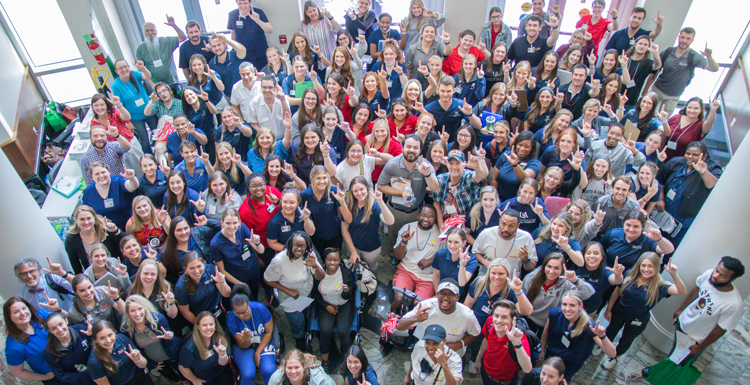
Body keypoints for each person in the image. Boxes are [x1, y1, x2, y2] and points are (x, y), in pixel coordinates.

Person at [642, 256, 745, 379]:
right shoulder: (709, 275)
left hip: (696, 338)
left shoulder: (734, 304)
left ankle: (662, 377)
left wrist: (700, 347)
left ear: (732, 279)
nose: (716, 275)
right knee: (675, 351)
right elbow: (697, 288)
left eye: (723, 276)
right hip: (683, 324)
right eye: (717, 270)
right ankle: (662, 373)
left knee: (680, 362)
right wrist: (681, 308)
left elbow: (720, 330)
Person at [600, 252, 686, 369]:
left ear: (656, 267)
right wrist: (609, 309)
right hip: (619, 311)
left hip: (638, 319)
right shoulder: (629, 275)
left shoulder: (660, 286)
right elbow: (617, 291)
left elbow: (681, 291)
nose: (646, 269)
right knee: (610, 330)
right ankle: (603, 346)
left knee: (626, 339)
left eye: (650, 266)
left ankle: (615, 356)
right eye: (643, 265)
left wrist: (674, 274)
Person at [376, 135, 439, 255]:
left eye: (416, 147)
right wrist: (401, 193)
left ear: (420, 150)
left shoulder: (426, 166)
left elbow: (435, 189)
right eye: (408, 146)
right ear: (402, 147)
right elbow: (380, 186)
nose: (411, 150)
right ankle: (394, 256)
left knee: (413, 239)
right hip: (395, 211)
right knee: (393, 239)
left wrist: (427, 174)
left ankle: (409, 259)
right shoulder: (392, 164)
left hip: (416, 212)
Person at [264, 232, 325, 350]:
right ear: (290, 244)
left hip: (306, 293)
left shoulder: (309, 255)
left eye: (303, 245)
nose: (299, 248)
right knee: (297, 322)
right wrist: (288, 291)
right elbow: (267, 279)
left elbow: (320, 276)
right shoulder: (279, 261)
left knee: (305, 315)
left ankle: (306, 330)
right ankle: (299, 338)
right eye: (296, 245)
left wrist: (315, 265)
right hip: (289, 299)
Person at [657, 141, 722, 249]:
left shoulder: (712, 168)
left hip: (684, 218)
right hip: (663, 213)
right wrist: (660, 199)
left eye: (695, 155)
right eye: (688, 153)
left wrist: (703, 171)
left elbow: (714, 186)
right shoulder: (676, 162)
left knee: (671, 247)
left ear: (704, 155)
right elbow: (661, 179)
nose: (690, 157)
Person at [539, 291, 616, 381]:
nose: (567, 309)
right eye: (564, 304)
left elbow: (612, 353)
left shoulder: (588, 326)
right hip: (552, 356)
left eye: (572, 305)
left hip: (570, 363)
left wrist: (603, 336)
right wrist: (542, 349)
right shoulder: (555, 313)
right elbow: (545, 332)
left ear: (580, 306)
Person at [398, 279, 481, 357]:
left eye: (450, 294)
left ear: (457, 297)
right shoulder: (425, 306)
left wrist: (459, 344)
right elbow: (400, 326)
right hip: (426, 352)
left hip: (451, 355)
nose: (445, 298)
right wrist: (415, 318)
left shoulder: (467, 315)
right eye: (442, 293)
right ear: (437, 295)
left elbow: (475, 333)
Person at [651, 27, 719, 114]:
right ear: (679, 37)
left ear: (692, 40)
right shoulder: (668, 51)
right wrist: (655, 54)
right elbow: (656, 67)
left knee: (661, 121)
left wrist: (709, 57)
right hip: (657, 90)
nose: (684, 41)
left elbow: (714, 68)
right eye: (682, 37)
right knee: (648, 114)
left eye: (688, 39)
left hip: (673, 96)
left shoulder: (693, 56)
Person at [522, 253, 595, 335]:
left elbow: (590, 293)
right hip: (529, 319)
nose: (551, 271)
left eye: (556, 268)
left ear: (562, 270)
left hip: (550, 323)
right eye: (549, 266)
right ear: (544, 266)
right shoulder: (531, 278)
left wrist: (576, 281)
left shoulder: (566, 284)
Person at [390, 205, 442, 310]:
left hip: (427, 277)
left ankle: (410, 326)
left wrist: (431, 261)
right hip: (407, 271)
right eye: (423, 215)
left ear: (435, 219)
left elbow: (446, 257)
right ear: (418, 215)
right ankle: (391, 321)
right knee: (399, 300)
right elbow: (398, 256)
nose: (426, 219)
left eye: (431, 217)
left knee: (419, 307)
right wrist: (403, 242)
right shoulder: (407, 228)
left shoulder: (440, 234)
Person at [121, 295, 182, 382]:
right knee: (173, 378)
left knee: (183, 374)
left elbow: (173, 342)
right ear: (128, 313)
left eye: (140, 309)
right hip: (157, 362)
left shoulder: (158, 319)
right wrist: (151, 364)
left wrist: (170, 338)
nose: (137, 314)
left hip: (172, 355)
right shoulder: (127, 330)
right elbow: (137, 350)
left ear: (145, 308)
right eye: (132, 311)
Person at [312, 248, 355, 370]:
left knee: (342, 331)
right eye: (329, 260)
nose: (332, 263)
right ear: (324, 261)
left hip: (344, 304)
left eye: (335, 260)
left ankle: (350, 360)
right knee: (325, 331)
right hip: (326, 304)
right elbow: (315, 293)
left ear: (339, 260)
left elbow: (350, 294)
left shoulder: (345, 273)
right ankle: (325, 361)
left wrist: (346, 291)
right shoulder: (320, 274)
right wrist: (326, 307)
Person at [4, 297, 63, 385]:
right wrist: (45, 377)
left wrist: (57, 310)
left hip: (71, 361)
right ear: (9, 318)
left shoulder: (39, 315)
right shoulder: (14, 347)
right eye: (16, 312)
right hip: (57, 377)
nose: (22, 313)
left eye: (24, 308)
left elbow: (63, 323)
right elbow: (17, 372)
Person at [342, 176, 394, 275]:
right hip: (353, 245)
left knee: (372, 267)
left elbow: (390, 221)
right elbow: (344, 230)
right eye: (355, 191)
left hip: (371, 248)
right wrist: (353, 251)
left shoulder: (374, 204)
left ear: (367, 188)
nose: (359, 193)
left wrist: (380, 201)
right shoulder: (348, 204)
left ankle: (372, 285)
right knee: (356, 268)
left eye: (361, 189)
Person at [226, 284, 276, 385]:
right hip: (245, 346)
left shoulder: (260, 309)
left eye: (244, 312)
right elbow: (241, 344)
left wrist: (258, 353)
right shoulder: (232, 319)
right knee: (247, 374)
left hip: (263, 340)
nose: (241, 316)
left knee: (268, 370)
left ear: (249, 304)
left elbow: (269, 332)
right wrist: (246, 339)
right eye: (237, 313)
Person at [475, 299, 533, 383]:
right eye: (496, 315)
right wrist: (478, 359)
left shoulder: (519, 337)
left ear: (513, 320)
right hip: (486, 373)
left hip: (505, 381)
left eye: (504, 317)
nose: (498, 320)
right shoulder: (490, 322)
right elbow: (486, 340)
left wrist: (517, 344)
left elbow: (527, 369)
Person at [210, 209, 264, 299]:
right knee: (248, 300)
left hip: (253, 271)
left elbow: (261, 251)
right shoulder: (216, 244)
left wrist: (257, 243)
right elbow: (222, 270)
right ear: (222, 223)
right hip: (237, 279)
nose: (232, 227)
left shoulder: (242, 228)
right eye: (228, 223)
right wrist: (240, 283)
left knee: (255, 293)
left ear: (239, 222)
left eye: (235, 223)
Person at [472, 206, 538, 278]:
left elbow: (531, 267)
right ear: (499, 221)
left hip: (510, 280)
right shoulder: (486, 234)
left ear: (518, 226)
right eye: (503, 224)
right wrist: (485, 262)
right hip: (486, 277)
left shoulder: (526, 238)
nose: (506, 229)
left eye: (511, 226)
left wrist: (526, 260)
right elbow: (475, 252)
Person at [599, 210, 674, 271]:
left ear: (642, 227)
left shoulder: (647, 241)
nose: (631, 229)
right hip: (605, 268)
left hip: (627, 275)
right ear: (623, 224)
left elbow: (669, 250)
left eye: (636, 226)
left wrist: (658, 239)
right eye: (628, 225)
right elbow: (599, 248)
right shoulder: (614, 233)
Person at [433, 149, 488, 229]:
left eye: (458, 163)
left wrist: (477, 168)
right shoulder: (441, 179)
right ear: (447, 164)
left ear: (463, 163)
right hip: (446, 222)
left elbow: (479, 176)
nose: (454, 167)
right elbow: (436, 203)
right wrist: (441, 226)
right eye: (451, 163)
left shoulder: (468, 177)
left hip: (466, 224)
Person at [88, 94, 143, 174]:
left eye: (102, 104)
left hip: (130, 144)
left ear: (106, 105)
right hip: (116, 151)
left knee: (140, 168)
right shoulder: (94, 123)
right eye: (96, 105)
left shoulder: (114, 113)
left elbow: (127, 117)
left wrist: (118, 105)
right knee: (126, 173)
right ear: (92, 107)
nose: (99, 108)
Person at [88, 320, 154, 385]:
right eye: (102, 338)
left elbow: (143, 365)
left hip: (140, 377)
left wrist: (138, 359)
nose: (108, 340)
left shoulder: (122, 339)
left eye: (110, 335)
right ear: (96, 340)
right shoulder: (94, 362)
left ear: (114, 333)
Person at [111, 59, 155, 155]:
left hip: (149, 111)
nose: (124, 69)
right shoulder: (116, 86)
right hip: (135, 118)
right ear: (116, 71)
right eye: (120, 68)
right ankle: (150, 160)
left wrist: (143, 68)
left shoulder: (134, 74)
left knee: (157, 133)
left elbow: (147, 76)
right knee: (144, 140)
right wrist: (128, 122)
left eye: (125, 66)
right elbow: (119, 107)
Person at [160, 215, 221, 285]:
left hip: (211, 279)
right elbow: (171, 278)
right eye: (179, 230)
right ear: (172, 232)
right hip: (190, 287)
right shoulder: (166, 252)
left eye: (185, 228)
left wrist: (208, 222)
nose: (183, 232)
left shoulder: (198, 233)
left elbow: (222, 227)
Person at [65, 206, 126, 275]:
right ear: (76, 220)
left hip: (117, 271)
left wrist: (116, 231)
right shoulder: (71, 240)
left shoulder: (106, 229)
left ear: (94, 217)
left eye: (89, 218)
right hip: (94, 277)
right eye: (82, 219)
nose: (86, 222)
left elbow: (127, 242)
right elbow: (76, 266)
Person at [178, 311, 234, 385]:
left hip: (220, 372)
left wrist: (222, 354)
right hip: (204, 379)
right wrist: (195, 381)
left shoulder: (218, 338)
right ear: (198, 327)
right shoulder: (189, 348)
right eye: (204, 325)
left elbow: (223, 364)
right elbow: (182, 367)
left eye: (211, 324)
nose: (208, 328)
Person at [174, 252, 231, 324]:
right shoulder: (181, 287)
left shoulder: (210, 270)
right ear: (185, 269)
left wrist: (222, 283)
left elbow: (227, 294)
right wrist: (200, 325)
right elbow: (185, 312)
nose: (197, 271)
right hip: (199, 319)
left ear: (203, 264)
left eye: (199, 266)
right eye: (192, 268)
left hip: (217, 312)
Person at [238, 173, 281, 266]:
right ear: (248, 187)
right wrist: (257, 258)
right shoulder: (245, 212)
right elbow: (248, 238)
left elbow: (286, 207)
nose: (258, 188)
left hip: (282, 237)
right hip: (265, 247)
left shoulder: (272, 191)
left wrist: (278, 202)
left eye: (261, 185)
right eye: (254, 186)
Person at [83, 162, 139, 230]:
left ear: (108, 172)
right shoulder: (88, 192)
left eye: (103, 172)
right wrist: (98, 219)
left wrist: (132, 178)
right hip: (106, 230)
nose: (101, 176)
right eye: (97, 174)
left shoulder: (118, 182)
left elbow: (133, 186)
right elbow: (86, 212)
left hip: (130, 226)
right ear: (92, 176)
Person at [43, 312, 94, 385]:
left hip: (99, 372)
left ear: (66, 321)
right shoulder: (50, 351)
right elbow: (62, 375)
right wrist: (86, 374)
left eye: (60, 324)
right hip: (80, 382)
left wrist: (93, 336)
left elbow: (98, 349)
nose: (59, 330)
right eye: (53, 328)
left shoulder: (81, 330)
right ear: (50, 331)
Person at [574, 242, 623, 314]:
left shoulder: (605, 271)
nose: (592, 256)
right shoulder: (576, 265)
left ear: (602, 257)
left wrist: (618, 275)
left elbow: (616, 280)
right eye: (588, 253)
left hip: (589, 311)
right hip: (571, 307)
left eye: (596, 253)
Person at [136, 16, 186, 86]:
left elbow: (183, 37)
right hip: (156, 86)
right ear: (144, 32)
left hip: (173, 82)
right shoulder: (140, 48)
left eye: (152, 30)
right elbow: (141, 71)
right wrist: (153, 85)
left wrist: (174, 25)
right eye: (147, 31)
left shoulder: (166, 41)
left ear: (156, 31)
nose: (150, 33)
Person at [492, 131, 541, 201]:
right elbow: (494, 178)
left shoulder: (534, 163)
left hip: (519, 201)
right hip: (500, 199)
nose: (522, 149)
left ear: (532, 148)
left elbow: (525, 179)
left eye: (526, 147)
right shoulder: (506, 155)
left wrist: (515, 164)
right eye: (520, 145)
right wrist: (495, 198)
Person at [126, 259, 179, 324]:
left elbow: (173, 316)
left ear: (157, 276)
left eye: (153, 274)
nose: (149, 277)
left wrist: (171, 302)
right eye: (145, 273)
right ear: (139, 273)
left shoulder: (165, 288)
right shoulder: (131, 291)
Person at [424, 77, 474, 141]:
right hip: (436, 145)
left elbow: (478, 125)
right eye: (442, 91)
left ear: (454, 90)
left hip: (456, 144)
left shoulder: (460, 105)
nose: (445, 94)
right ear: (438, 90)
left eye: (448, 91)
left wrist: (470, 114)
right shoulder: (429, 108)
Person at [228, 0, 273, 70]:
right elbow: (233, 34)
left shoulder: (258, 12)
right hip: (243, 56)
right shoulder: (232, 15)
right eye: (240, 3)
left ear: (250, 2)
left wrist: (258, 20)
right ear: (236, 3)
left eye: (245, 3)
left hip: (260, 55)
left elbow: (270, 30)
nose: (243, 6)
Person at [431, 228, 477, 294]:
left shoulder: (471, 259)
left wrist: (462, 264)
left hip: (460, 296)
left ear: (464, 243)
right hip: (443, 292)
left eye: (456, 242)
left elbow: (462, 283)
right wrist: (437, 294)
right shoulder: (440, 254)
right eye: (449, 241)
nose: (452, 246)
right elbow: (436, 275)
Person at [622, 36, 661, 109]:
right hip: (616, 94)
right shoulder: (624, 58)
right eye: (640, 43)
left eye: (645, 45)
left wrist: (655, 53)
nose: (642, 46)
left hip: (631, 99)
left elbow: (658, 66)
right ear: (635, 44)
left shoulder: (647, 63)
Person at [248, 75, 291, 141]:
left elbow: (287, 116)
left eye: (270, 87)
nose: (267, 90)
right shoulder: (254, 102)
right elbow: (252, 122)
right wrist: (264, 133)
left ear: (275, 87)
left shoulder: (282, 99)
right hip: (265, 141)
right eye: (264, 87)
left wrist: (282, 100)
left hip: (283, 140)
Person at [208, 34, 247, 100]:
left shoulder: (234, 55)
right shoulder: (211, 63)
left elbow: (243, 50)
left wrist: (226, 40)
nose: (217, 48)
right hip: (228, 97)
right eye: (214, 46)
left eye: (219, 45)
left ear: (225, 44)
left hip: (244, 93)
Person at [267, 349, 335, 385]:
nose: (293, 371)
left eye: (297, 367)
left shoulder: (321, 380)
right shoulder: (276, 378)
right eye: (289, 368)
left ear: (304, 367)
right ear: (285, 368)